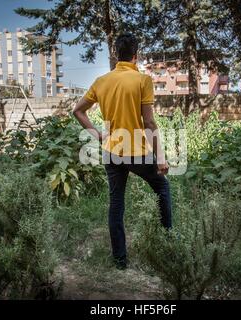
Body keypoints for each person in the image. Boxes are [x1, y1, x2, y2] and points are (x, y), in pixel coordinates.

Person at [73, 33, 172, 270]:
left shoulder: (101, 81)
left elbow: (78, 111)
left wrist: (97, 135)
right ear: (135, 55)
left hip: (111, 152)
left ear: (116, 54)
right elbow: (148, 123)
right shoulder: (142, 80)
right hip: (136, 151)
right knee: (162, 186)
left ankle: (120, 261)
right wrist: (160, 157)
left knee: (116, 203)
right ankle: (168, 244)